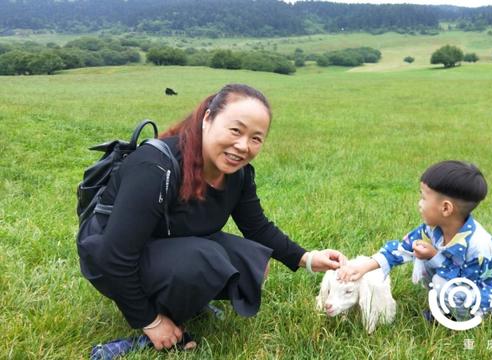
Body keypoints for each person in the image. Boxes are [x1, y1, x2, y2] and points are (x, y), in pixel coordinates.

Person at [77, 83, 346, 351]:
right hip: (108, 258)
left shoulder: (237, 175)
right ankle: (150, 328)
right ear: (208, 119)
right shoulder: (154, 168)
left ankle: (182, 299)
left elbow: (257, 228)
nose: (243, 146)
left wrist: (307, 258)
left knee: (254, 260)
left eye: (255, 138)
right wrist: (149, 321)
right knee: (203, 259)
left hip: (160, 248)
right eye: (235, 130)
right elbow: (113, 255)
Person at [337, 160, 492, 321]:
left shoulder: (478, 247)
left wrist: (435, 257)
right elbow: (401, 249)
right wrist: (363, 267)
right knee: (431, 267)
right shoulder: (432, 228)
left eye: (423, 198)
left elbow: (462, 284)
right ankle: (445, 305)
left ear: (445, 208)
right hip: (456, 284)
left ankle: (456, 318)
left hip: (487, 295)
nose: (419, 204)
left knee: (441, 280)